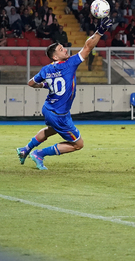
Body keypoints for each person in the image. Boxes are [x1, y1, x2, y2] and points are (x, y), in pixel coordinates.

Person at [16, 17, 113, 170]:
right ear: (55, 56)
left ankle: (25, 149)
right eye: (61, 49)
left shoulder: (46, 69)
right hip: (59, 115)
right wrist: (99, 32)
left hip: (48, 109)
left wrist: (44, 85)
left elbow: (30, 83)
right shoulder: (70, 64)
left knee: (50, 131)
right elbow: (87, 47)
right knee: (78, 144)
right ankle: (39, 154)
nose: (65, 49)